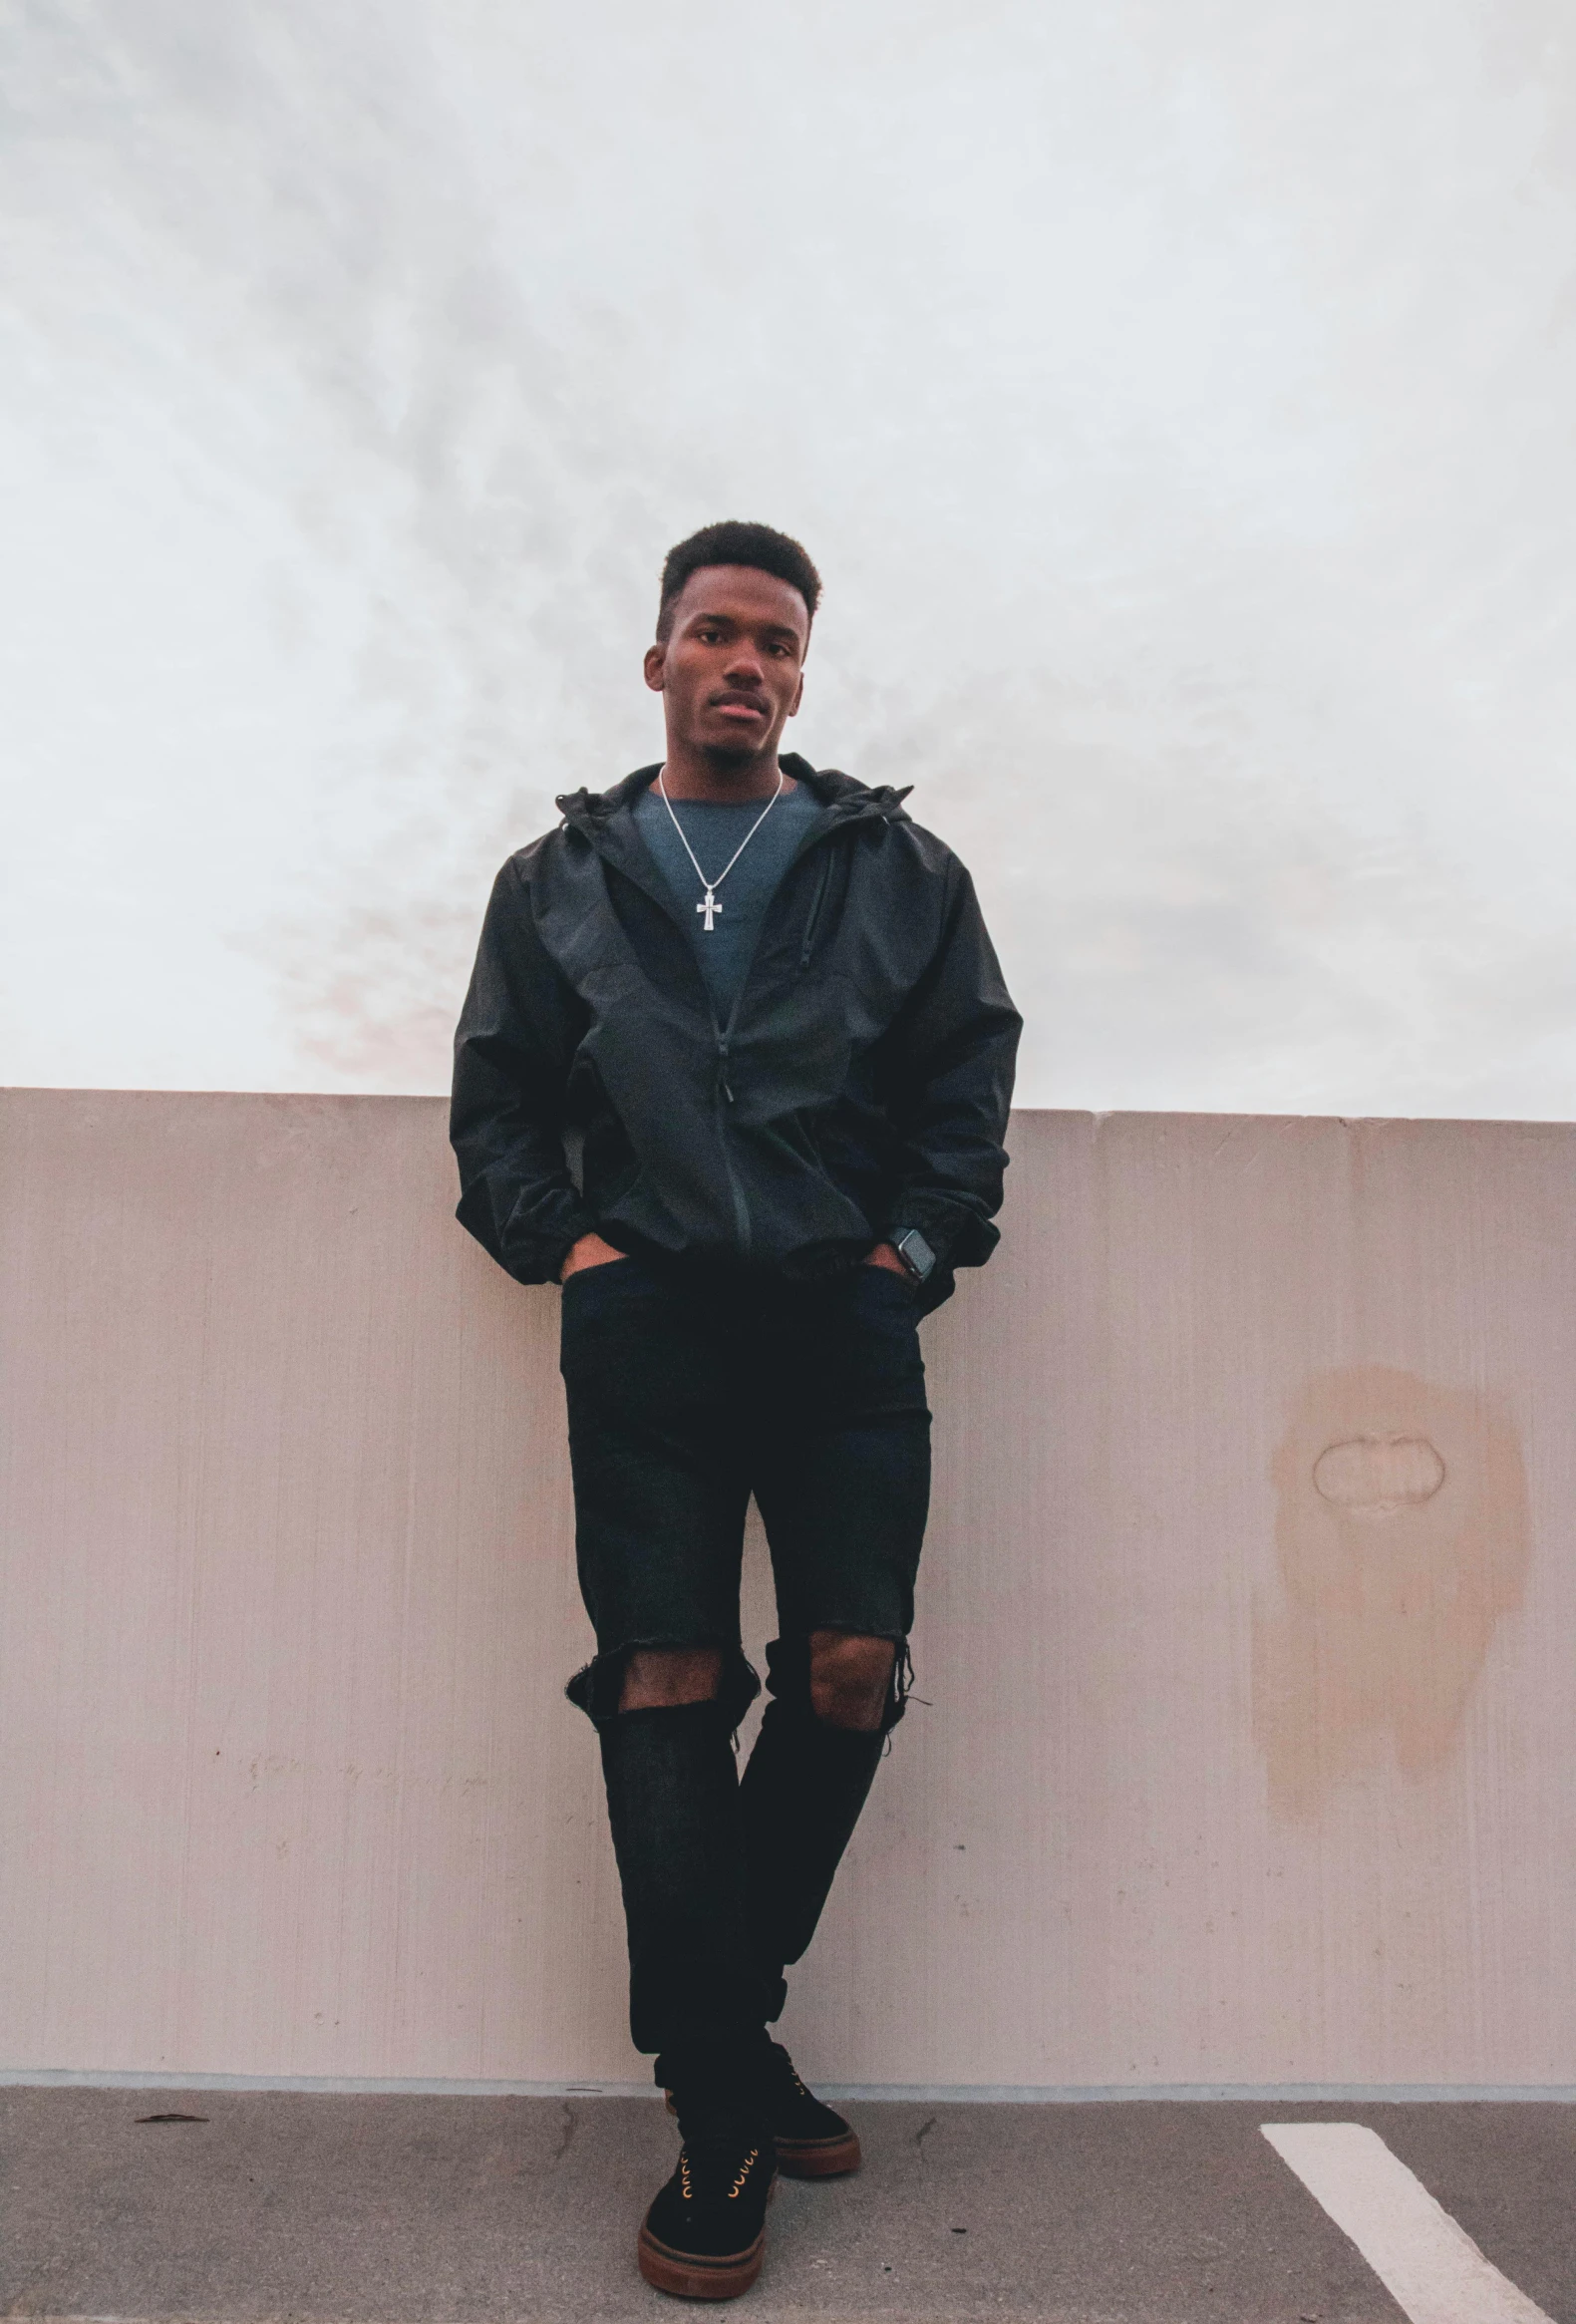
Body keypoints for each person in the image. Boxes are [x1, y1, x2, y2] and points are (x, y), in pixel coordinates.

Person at [451, 520, 1020, 2299]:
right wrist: (579, 1253)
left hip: (842, 1326)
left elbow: (966, 1073)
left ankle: (717, 2018)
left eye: (774, 640)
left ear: (801, 671)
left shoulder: (899, 868)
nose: (744, 662)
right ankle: (719, 2100)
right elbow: (492, 1104)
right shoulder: (559, 878)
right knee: (668, 1680)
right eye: (713, 633)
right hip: (651, 1334)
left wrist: (911, 1251)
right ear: (658, 662)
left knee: (853, 1669)